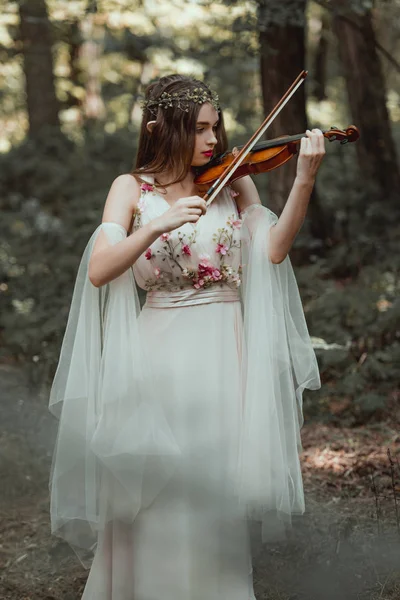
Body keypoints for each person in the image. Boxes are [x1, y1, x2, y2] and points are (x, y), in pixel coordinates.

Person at [48, 74, 324, 600]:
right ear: (164, 129)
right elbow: (100, 269)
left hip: (225, 349)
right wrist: (155, 225)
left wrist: (305, 177)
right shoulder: (132, 189)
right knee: (159, 488)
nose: (213, 141)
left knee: (215, 487)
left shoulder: (236, 181)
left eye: (214, 128)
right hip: (160, 354)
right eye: (199, 130)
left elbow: (272, 251)